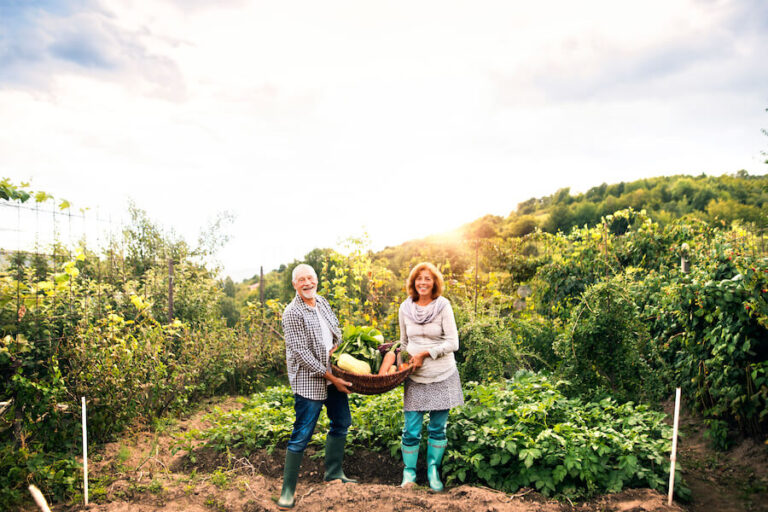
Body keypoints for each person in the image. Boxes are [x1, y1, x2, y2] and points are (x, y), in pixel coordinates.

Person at [277, 263, 357, 510]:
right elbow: (300, 353)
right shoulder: (292, 313)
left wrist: (336, 346)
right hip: (309, 381)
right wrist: (331, 377)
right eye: (301, 280)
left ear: (316, 280)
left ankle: (333, 472)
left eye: (310, 278)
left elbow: (336, 331)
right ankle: (287, 491)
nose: (307, 283)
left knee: (341, 422)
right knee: (302, 433)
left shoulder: (321, 302)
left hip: (333, 373)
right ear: (294, 285)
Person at [398, 262, 464, 492]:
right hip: (415, 377)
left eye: (428, 278)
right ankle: (409, 473)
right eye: (419, 278)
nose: (423, 282)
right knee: (411, 429)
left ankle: (433, 470)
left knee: (437, 428)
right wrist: (400, 362)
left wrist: (426, 354)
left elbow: (453, 343)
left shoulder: (443, 306)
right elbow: (404, 343)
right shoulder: (405, 308)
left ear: (434, 282)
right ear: (413, 283)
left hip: (442, 374)